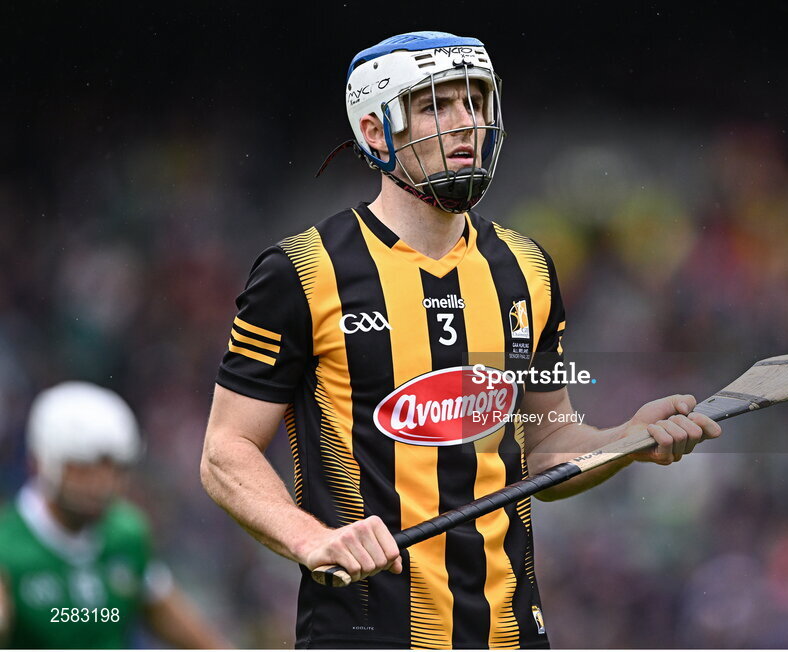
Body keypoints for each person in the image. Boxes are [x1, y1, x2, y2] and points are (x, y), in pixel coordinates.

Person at [201, 30, 721, 649]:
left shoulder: (528, 268)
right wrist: (311, 537)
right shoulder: (302, 272)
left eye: (474, 102)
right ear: (374, 132)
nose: (464, 123)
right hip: (366, 630)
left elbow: (550, 442)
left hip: (509, 630)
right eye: (434, 106)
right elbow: (225, 451)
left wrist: (626, 440)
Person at [0, 381, 228, 649]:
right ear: (40, 463)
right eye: (83, 468)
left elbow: (177, 623)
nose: (102, 484)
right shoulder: (6, 546)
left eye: (113, 469)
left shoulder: (127, 533)